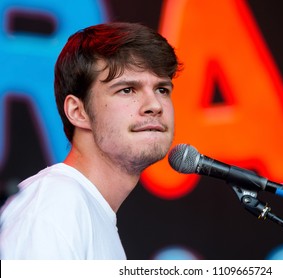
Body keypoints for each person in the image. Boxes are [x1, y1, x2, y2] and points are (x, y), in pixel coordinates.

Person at [0, 22, 182, 259]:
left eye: (162, 89)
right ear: (78, 111)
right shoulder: (55, 205)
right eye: (127, 90)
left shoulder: (81, 207)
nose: (155, 106)